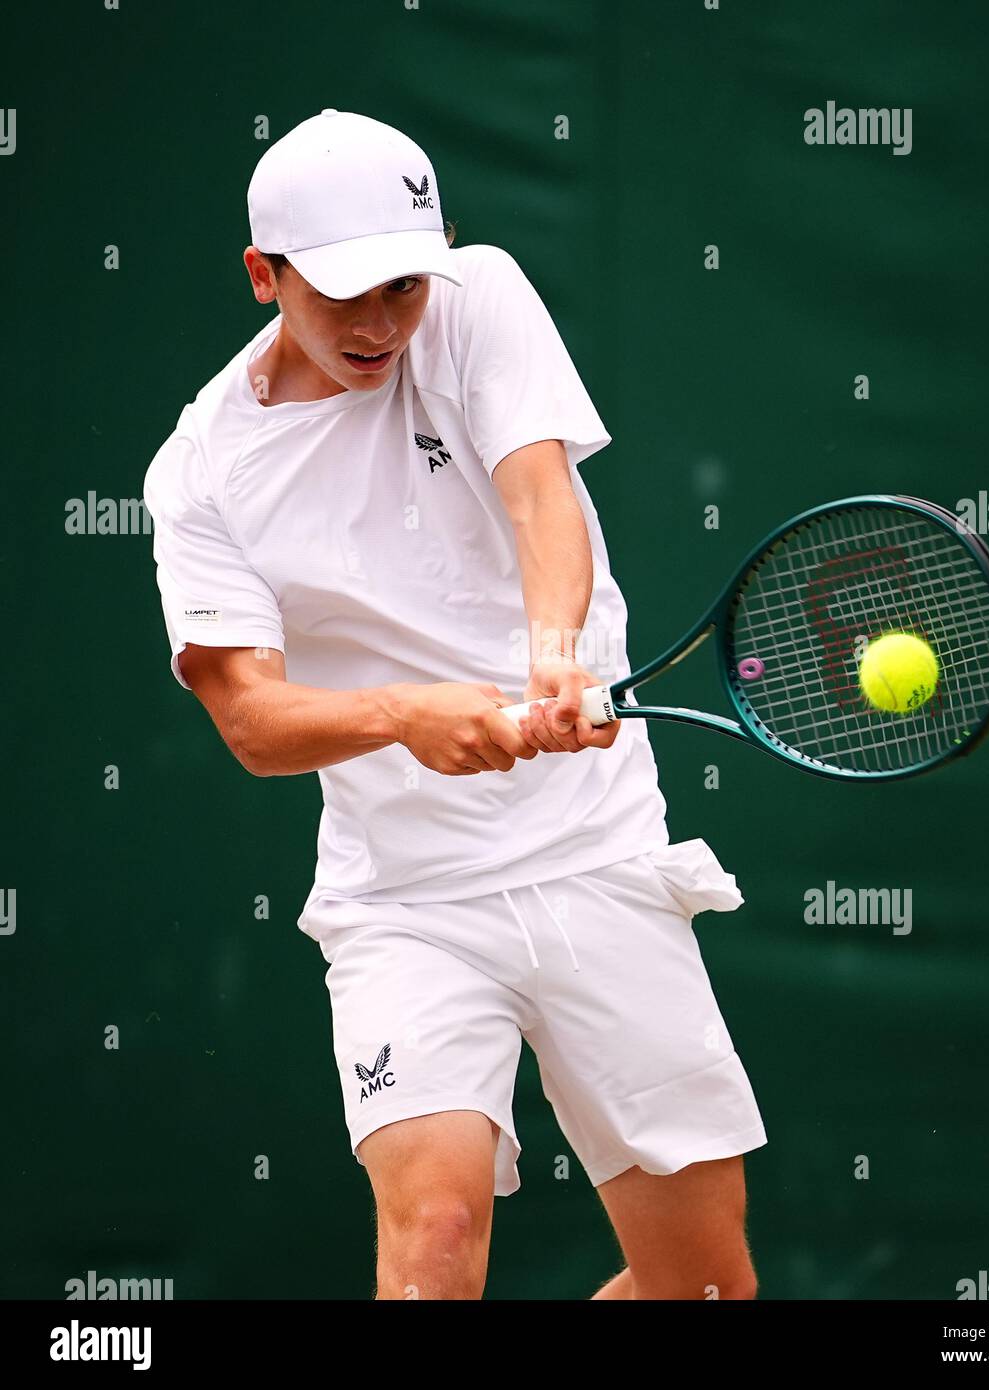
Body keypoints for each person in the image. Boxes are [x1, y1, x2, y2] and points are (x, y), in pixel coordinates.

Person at [142, 109, 767, 1300]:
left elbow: (539, 497)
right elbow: (253, 722)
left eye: (400, 287)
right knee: (431, 1245)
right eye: (341, 296)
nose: (380, 325)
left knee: (702, 1289)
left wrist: (552, 661)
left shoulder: (479, 297)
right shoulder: (200, 472)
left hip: (596, 854)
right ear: (261, 275)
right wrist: (404, 715)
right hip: (404, 904)